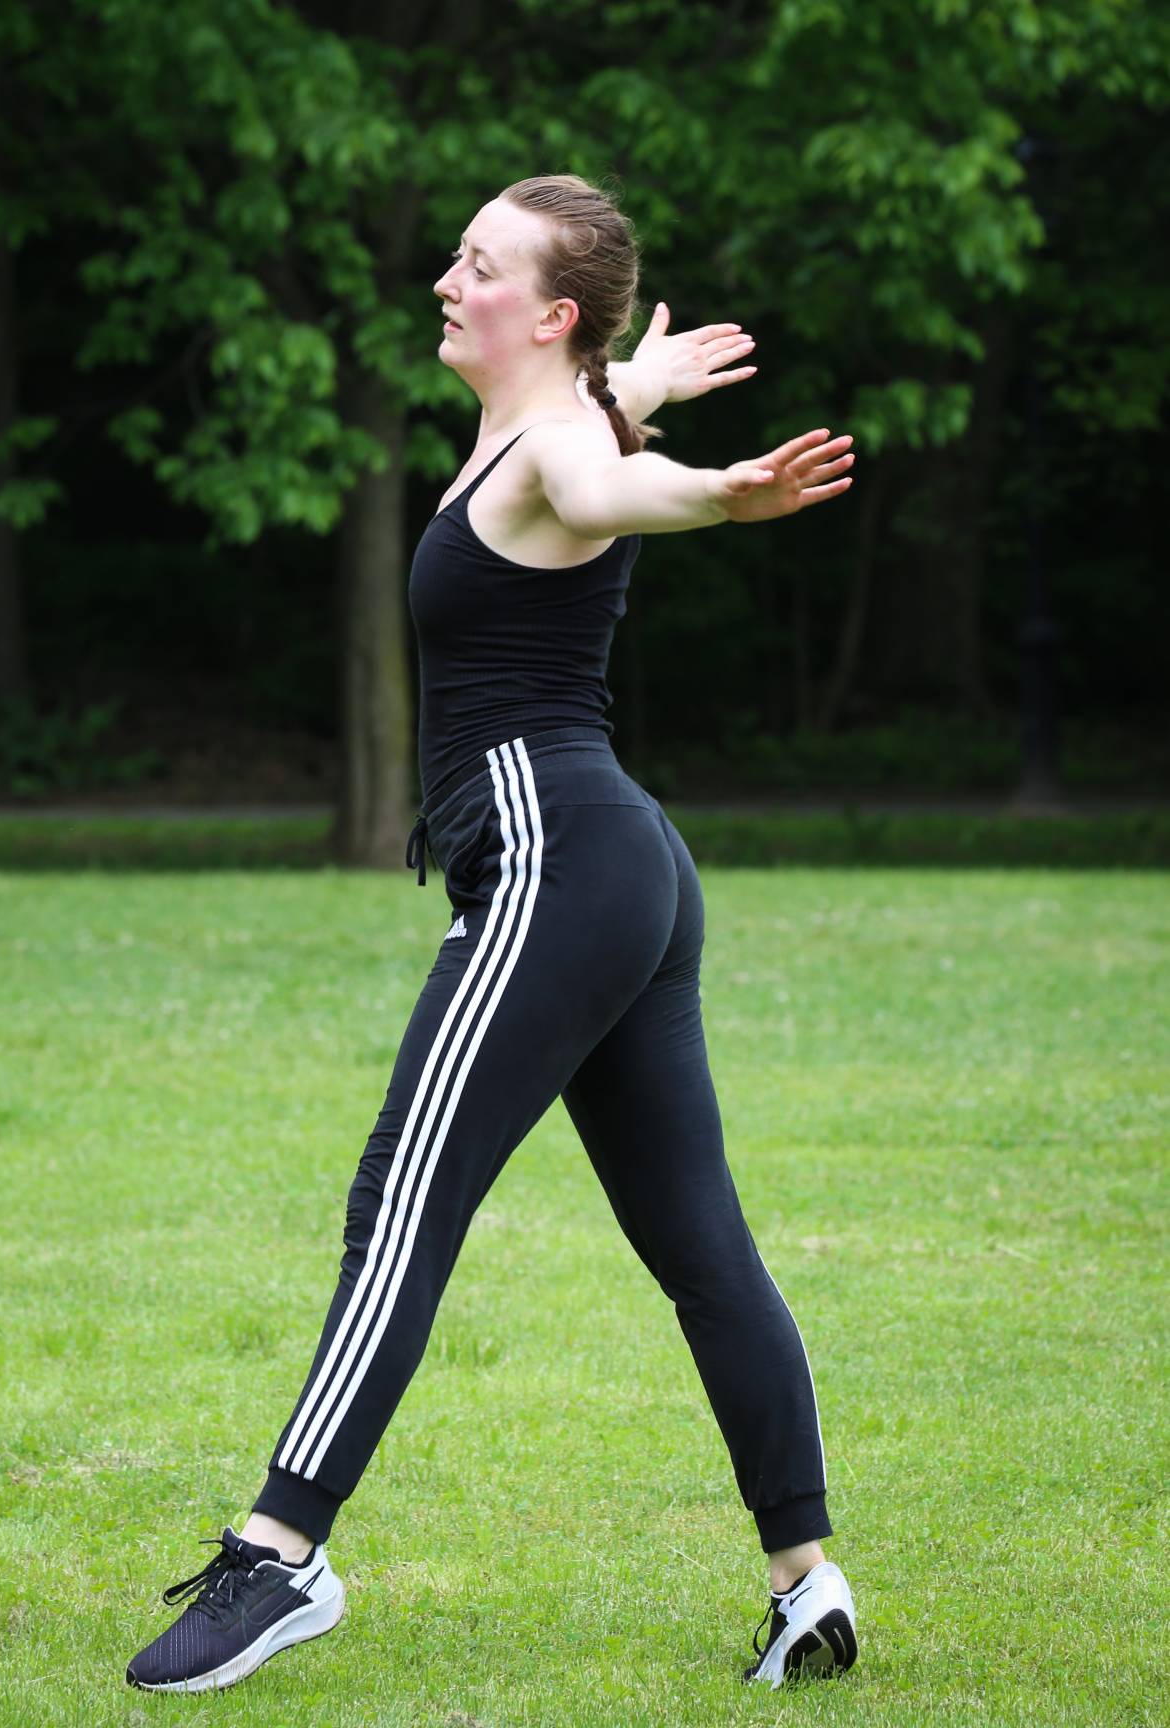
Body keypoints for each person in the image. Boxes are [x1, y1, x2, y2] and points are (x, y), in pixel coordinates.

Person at [126, 173, 858, 1697]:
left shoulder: (565, 448)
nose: (446, 282)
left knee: (403, 1203)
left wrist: (719, 488)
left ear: (549, 314)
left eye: (477, 265)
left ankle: (279, 1555)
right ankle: (805, 1582)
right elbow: (597, 423)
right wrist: (642, 382)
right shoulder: (555, 411)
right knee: (698, 1244)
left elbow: (602, 491)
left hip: (553, 857)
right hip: (616, 859)